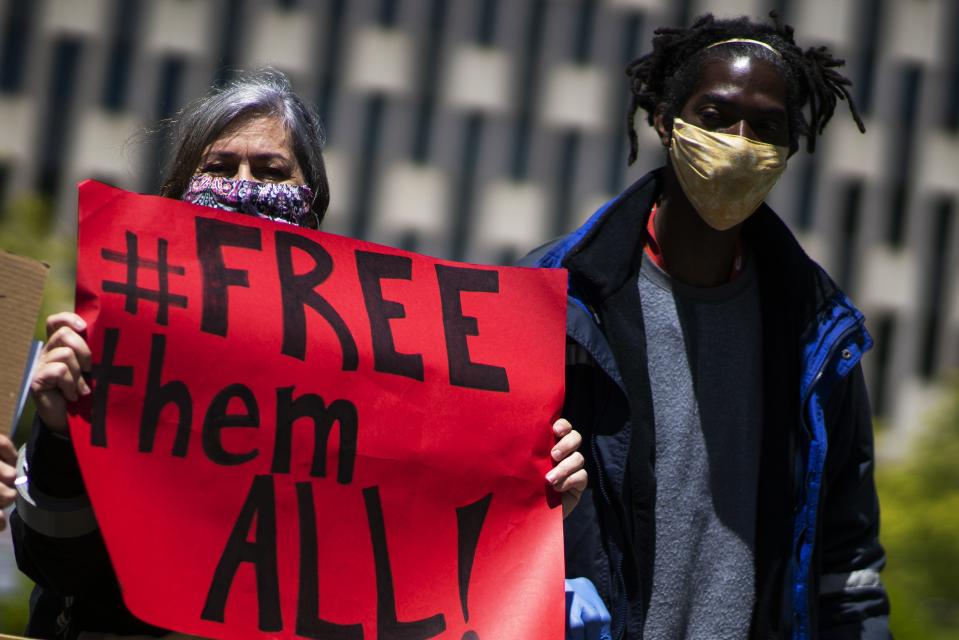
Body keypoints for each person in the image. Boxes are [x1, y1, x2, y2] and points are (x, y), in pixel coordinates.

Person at [11, 69, 587, 639]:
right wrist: (61, 431)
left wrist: (530, 489)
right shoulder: (114, 341)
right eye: (218, 168)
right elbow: (56, 561)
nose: (242, 185)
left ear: (311, 204)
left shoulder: (375, 365)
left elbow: (416, 559)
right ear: (177, 192)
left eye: (271, 171)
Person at [523, 13, 890, 640]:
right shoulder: (557, 296)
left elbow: (847, 560)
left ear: (788, 149)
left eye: (767, 126)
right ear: (666, 121)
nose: (739, 143)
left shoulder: (820, 333)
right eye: (716, 116)